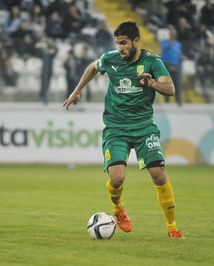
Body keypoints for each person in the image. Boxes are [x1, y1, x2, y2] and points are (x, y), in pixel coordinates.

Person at [63, 21, 184, 239]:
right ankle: (118, 208)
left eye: (124, 43)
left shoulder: (152, 61)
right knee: (117, 179)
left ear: (136, 41)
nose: (120, 48)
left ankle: (172, 228)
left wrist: (153, 84)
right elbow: (92, 67)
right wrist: (77, 91)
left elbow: (171, 88)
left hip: (144, 126)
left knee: (158, 175)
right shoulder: (111, 59)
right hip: (116, 127)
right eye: (118, 43)